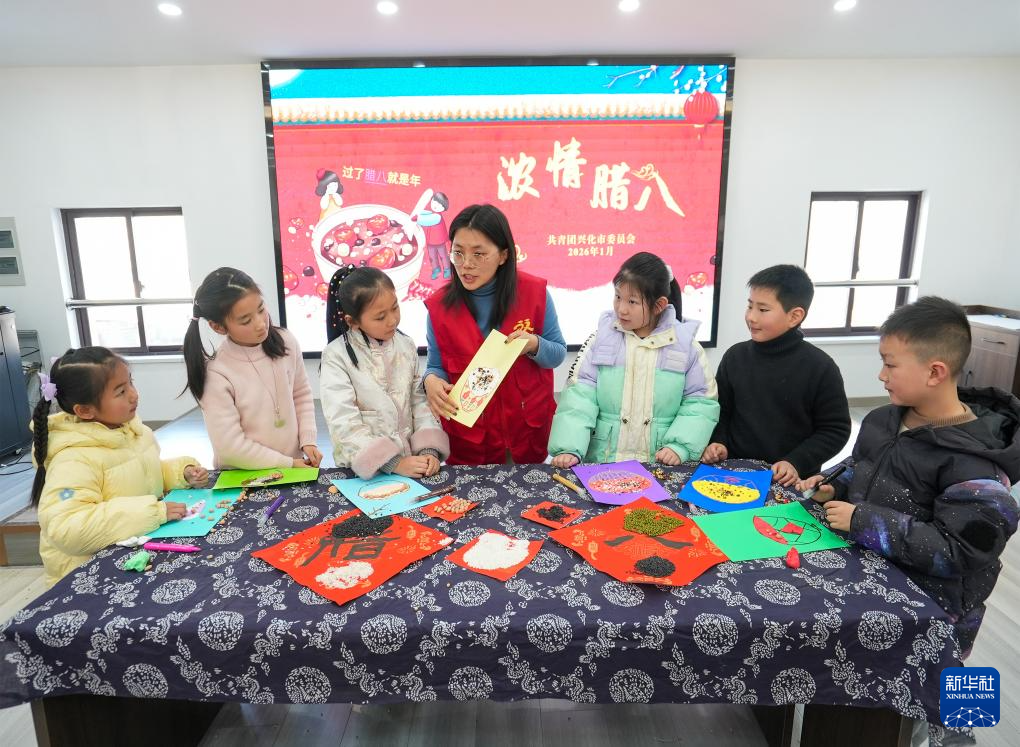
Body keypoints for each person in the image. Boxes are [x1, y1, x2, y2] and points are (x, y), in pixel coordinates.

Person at [798, 297, 1020, 656]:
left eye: (890, 365)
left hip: (928, 615)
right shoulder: (882, 419)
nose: (881, 375)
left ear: (934, 372)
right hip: (864, 576)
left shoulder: (976, 465)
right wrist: (832, 484)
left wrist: (863, 521)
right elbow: (860, 467)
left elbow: (960, 551)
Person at [30, 348, 207, 586]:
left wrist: (182, 473)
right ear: (85, 410)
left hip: (132, 556)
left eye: (130, 383)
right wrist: (152, 512)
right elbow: (66, 528)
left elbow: (143, 476)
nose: (134, 395)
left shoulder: (132, 431)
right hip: (89, 579)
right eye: (121, 391)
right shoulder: (72, 460)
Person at [423, 203, 566, 465]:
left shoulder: (534, 293)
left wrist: (534, 344)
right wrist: (430, 380)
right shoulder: (439, 307)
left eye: (479, 254)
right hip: (471, 440)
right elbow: (435, 366)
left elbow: (557, 354)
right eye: (458, 253)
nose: (466, 265)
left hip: (525, 432)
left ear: (503, 255)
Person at [548, 252, 719, 467]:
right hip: (604, 463)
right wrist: (569, 447)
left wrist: (679, 447)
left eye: (632, 301)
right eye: (618, 297)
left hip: (659, 466)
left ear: (659, 305)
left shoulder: (686, 347)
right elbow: (579, 398)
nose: (621, 308)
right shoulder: (600, 341)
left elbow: (700, 403)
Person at [702, 264, 851, 485]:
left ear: (794, 316)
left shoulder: (820, 367)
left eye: (763, 310)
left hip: (787, 480)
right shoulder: (735, 356)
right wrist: (719, 441)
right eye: (750, 306)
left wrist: (795, 462)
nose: (751, 317)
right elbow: (721, 410)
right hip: (733, 471)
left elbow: (835, 430)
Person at [183, 267, 322, 470]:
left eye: (261, 309)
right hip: (243, 476)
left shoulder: (285, 342)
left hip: (292, 467)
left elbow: (300, 394)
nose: (260, 324)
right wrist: (288, 464)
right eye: (246, 320)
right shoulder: (216, 372)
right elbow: (231, 448)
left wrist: (308, 440)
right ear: (218, 327)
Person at [320, 265, 449, 478]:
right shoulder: (336, 356)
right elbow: (343, 421)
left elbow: (419, 401)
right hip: (363, 472)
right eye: (380, 317)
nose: (392, 320)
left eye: (395, 308)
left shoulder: (406, 345)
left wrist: (428, 450)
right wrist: (392, 463)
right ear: (352, 321)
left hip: (411, 465)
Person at [410, 187, 452, 281]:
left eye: (439, 205)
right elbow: (426, 213)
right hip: (430, 241)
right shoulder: (432, 213)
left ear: (443, 208)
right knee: (432, 256)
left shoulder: (437, 217)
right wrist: (418, 212)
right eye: (434, 202)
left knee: (443, 255)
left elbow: (428, 220)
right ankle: (436, 269)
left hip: (439, 241)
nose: (435, 205)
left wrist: (417, 218)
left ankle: (447, 269)